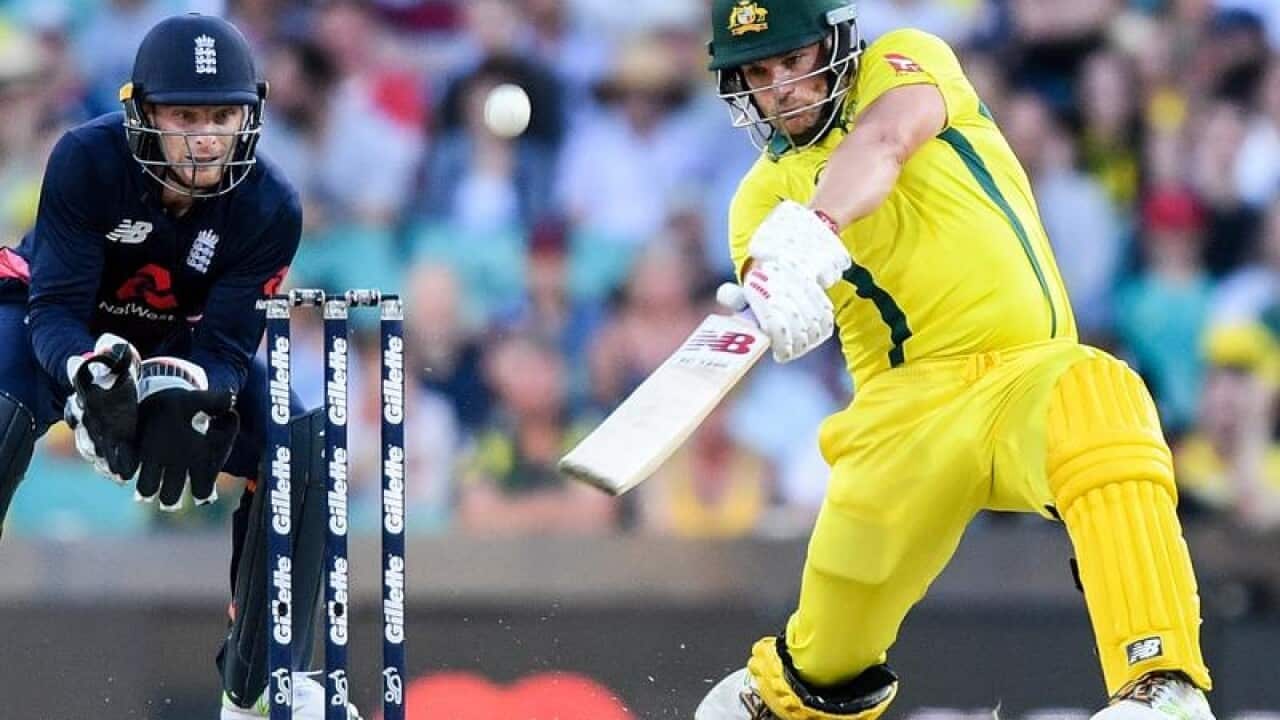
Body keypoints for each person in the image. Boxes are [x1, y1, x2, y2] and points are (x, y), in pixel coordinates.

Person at [695, 2, 1214, 719]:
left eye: (796, 60)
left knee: (1102, 399)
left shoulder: (906, 60)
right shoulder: (757, 201)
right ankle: (774, 698)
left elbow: (884, 140)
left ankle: (1162, 686)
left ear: (836, 42)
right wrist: (779, 293)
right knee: (825, 664)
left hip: (1028, 374)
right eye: (760, 71)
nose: (783, 86)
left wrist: (819, 225)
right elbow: (784, 299)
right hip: (905, 417)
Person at [0, 14, 359, 720]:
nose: (205, 136)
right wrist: (87, 373)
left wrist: (190, 393)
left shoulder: (270, 207)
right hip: (60, 337)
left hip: (180, 350)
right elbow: (57, 307)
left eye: (222, 116)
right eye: (185, 115)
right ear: (143, 114)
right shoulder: (86, 159)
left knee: (302, 446)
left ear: (248, 117)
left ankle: (260, 690)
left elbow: (227, 351)